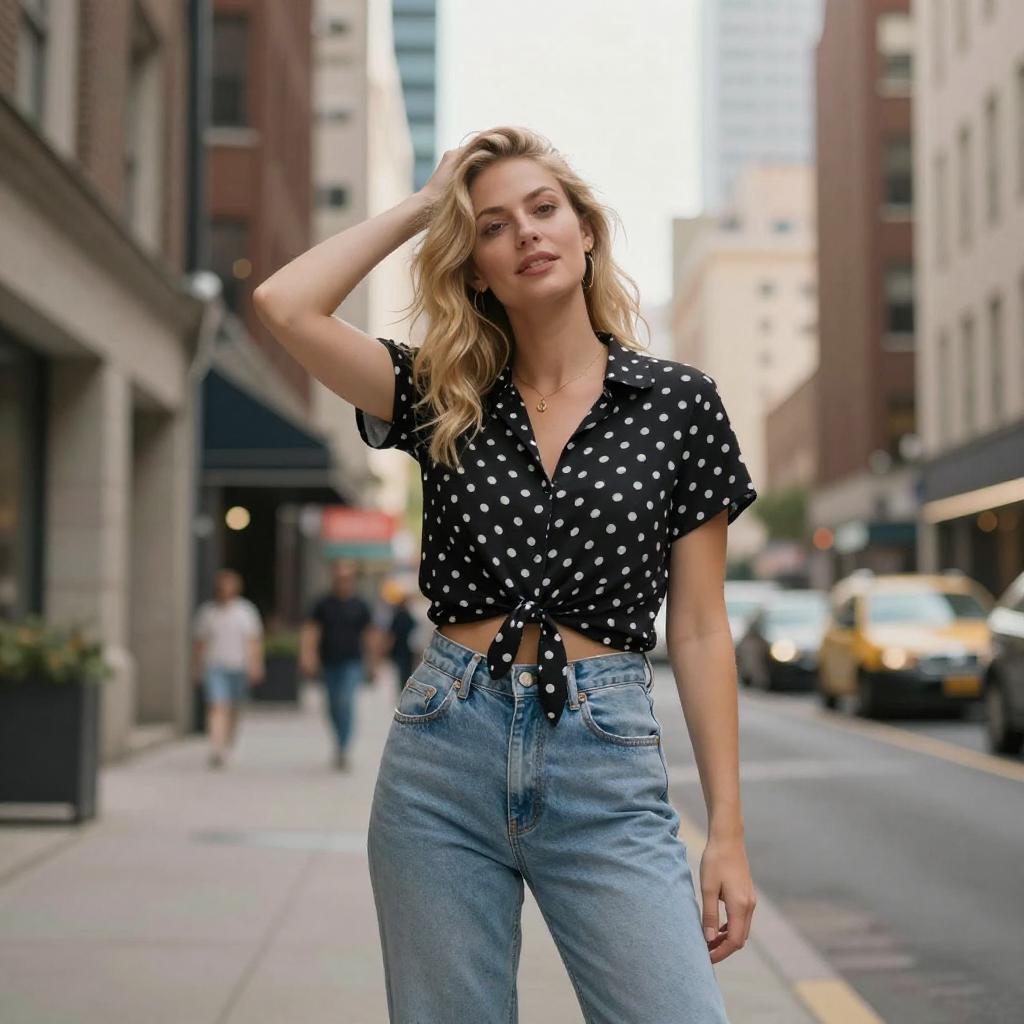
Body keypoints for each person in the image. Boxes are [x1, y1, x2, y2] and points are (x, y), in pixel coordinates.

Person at [254, 127, 759, 1023]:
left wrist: (727, 829)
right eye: (491, 226)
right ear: (475, 268)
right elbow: (284, 305)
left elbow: (700, 628)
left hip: (604, 755)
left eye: (543, 209)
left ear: (585, 231)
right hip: (442, 752)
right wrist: (423, 204)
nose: (526, 232)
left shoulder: (680, 404)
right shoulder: (440, 394)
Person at [300, 559, 377, 771]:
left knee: (345, 701)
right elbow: (311, 631)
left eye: (347, 578)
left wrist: (373, 663)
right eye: (340, 578)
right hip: (329, 662)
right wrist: (309, 656)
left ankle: (344, 747)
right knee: (332, 705)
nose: (343, 582)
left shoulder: (361, 604)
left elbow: (370, 635)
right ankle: (339, 741)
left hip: (352, 662)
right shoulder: (322, 604)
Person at [191, 569, 264, 770]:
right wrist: (196, 668)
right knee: (217, 706)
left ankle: (228, 743)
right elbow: (199, 643)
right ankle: (217, 747)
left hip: (239, 667)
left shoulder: (245, 612)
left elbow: (253, 641)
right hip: (215, 666)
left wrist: (255, 665)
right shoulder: (208, 613)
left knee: (233, 709)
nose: (224, 590)